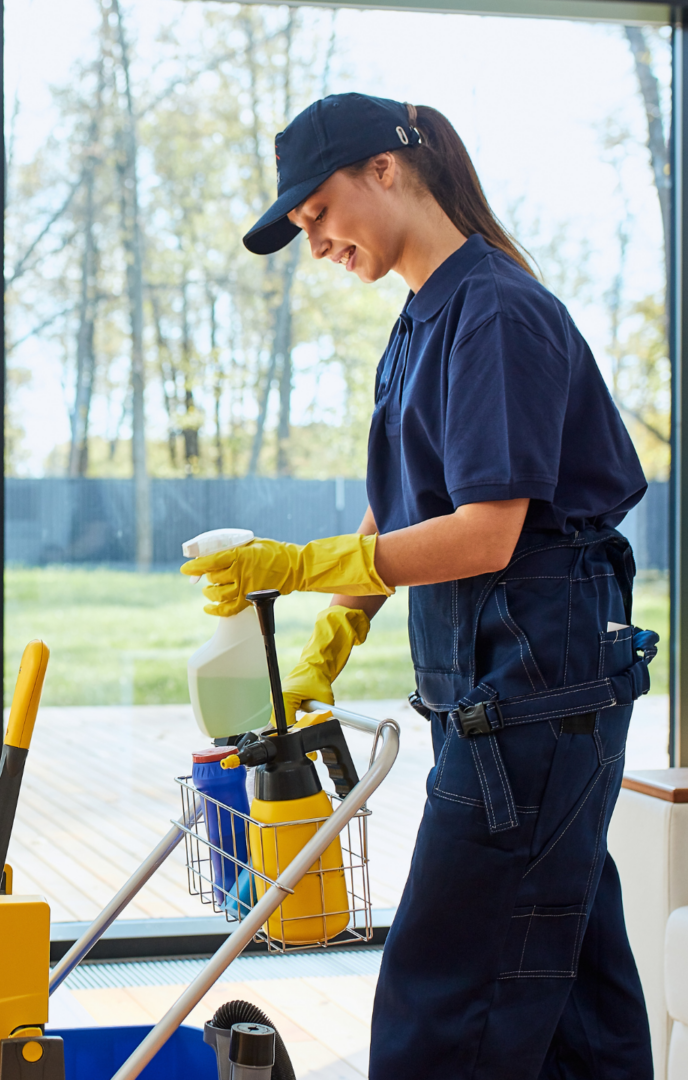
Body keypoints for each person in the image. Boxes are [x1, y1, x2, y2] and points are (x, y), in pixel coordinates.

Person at [183, 93, 655, 1079]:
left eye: (318, 214)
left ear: (384, 172)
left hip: (532, 700)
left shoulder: (495, 311)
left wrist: (298, 566)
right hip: (506, 698)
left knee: (449, 992)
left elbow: (487, 533)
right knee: (565, 976)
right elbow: (399, 514)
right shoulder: (424, 318)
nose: (316, 244)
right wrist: (332, 638)